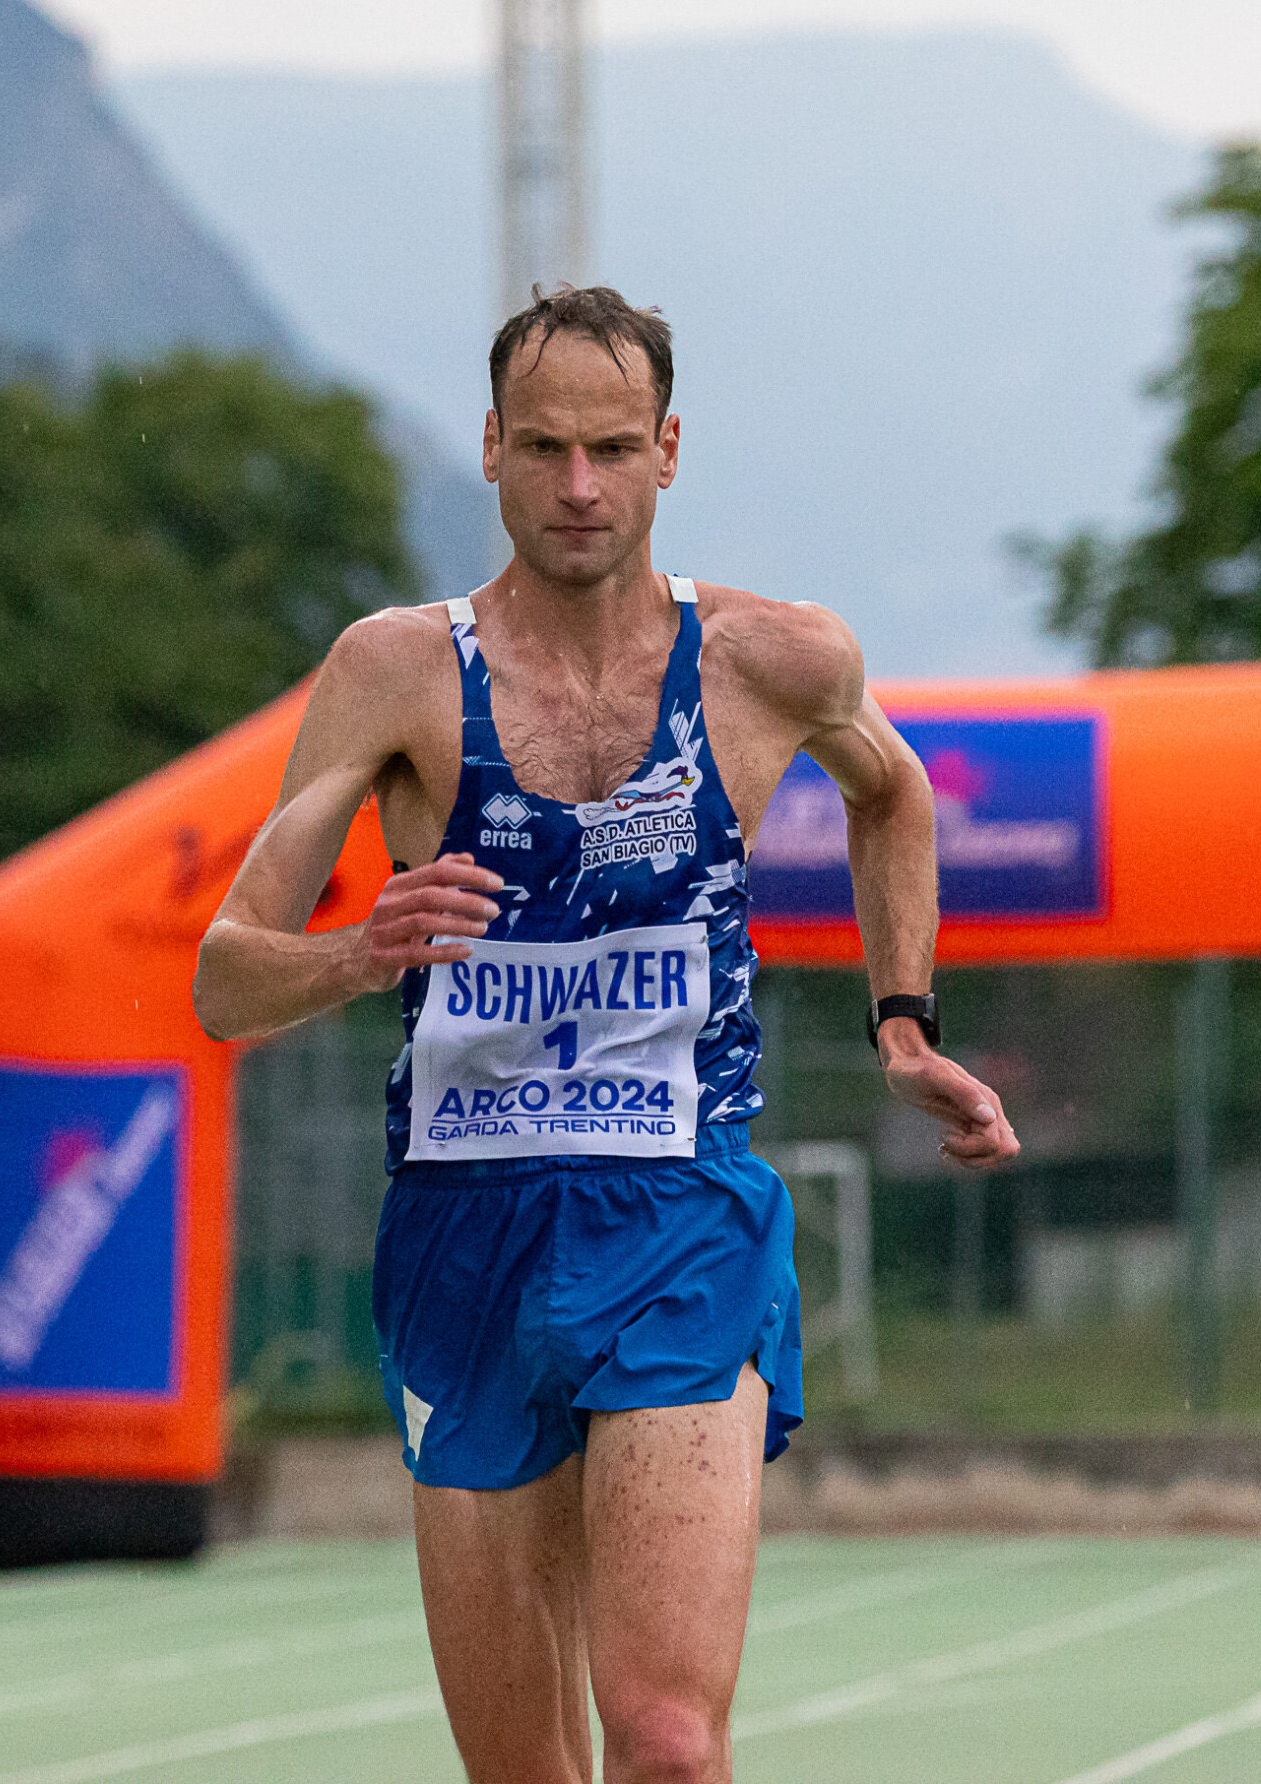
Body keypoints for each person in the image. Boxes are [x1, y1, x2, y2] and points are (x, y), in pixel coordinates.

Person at [193, 285, 1018, 1784]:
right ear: (495, 448)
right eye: (550, 449)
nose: (581, 488)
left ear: (669, 453)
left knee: (666, 1745)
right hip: (465, 1230)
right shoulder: (398, 672)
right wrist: (357, 952)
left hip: (676, 1212)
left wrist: (904, 1023)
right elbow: (222, 979)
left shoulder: (775, 662)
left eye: (614, 449)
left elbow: (892, 792)